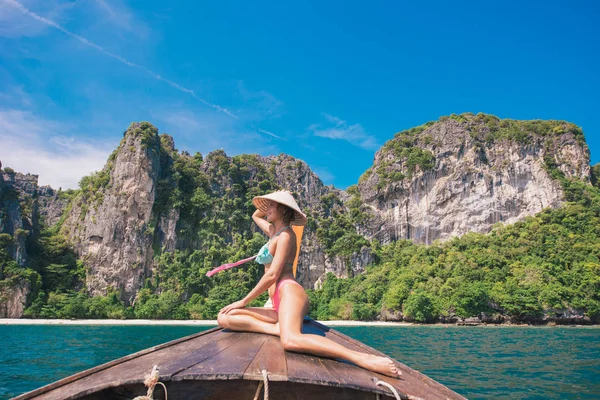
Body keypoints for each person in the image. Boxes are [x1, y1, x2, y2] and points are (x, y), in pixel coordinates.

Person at [217, 190, 401, 378]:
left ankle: (361, 358)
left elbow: (273, 274)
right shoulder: (273, 232)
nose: (267, 209)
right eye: (269, 205)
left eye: (272, 205)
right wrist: (273, 199)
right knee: (224, 317)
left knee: (290, 341)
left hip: (289, 293)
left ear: (283, 210)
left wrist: (244, 301)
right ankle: (275, 329)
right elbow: (256, 214)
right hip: (277, 303)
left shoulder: (286, 236)